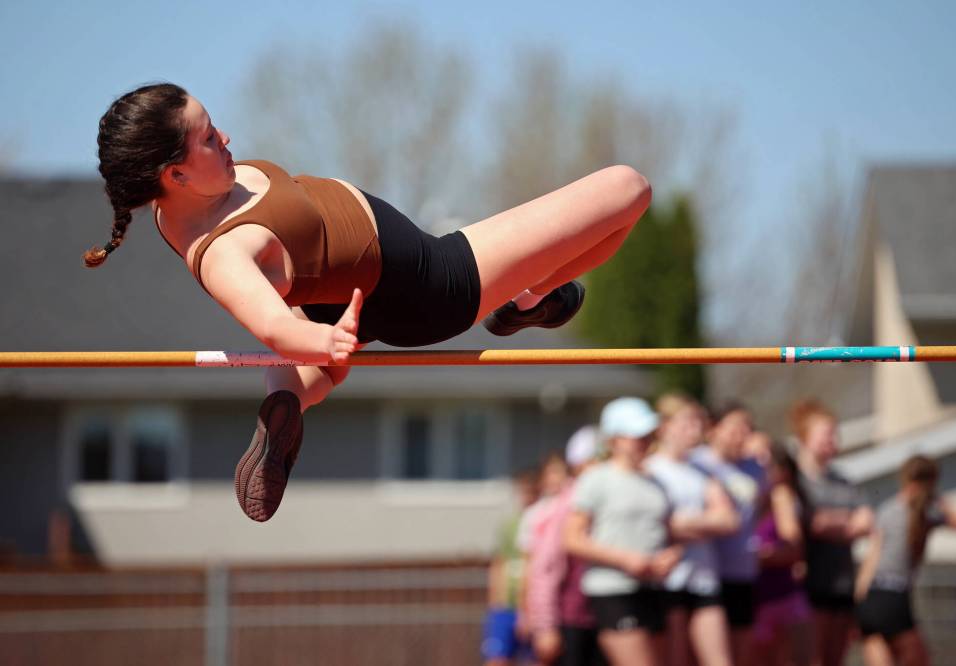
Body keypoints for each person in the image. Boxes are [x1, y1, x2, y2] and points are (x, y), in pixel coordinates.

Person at [86, 83, 652, 521]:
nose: (226, 138)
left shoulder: (173, 207)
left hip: (342, 294)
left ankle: (286, 404)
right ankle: (530, 296)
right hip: (427, 283)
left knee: (314, 370)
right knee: (628, 189)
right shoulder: (225, 256)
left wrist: (326, 338)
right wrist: (326, 340)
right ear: (175, 173)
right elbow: (271, 325)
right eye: (209, 138)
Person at [564, 398, 683, 666]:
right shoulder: (596, 479)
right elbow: (572, 538)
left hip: (653, 587)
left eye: (646, 435)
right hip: (612, 590)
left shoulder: (656, 482)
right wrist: (626, 559)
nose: (642, 441)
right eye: (635, 436)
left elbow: (668, 534)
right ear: (614, 439)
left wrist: (670, 557)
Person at [646, 395, 738, 666]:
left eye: (698, 423)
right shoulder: (652, 469)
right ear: (665, 426)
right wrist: (704, 524)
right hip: (668, 580)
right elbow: (659, 526)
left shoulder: (701, 470)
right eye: (687, 423)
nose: (696, 430)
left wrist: (686, 523)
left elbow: (728, 520)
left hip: (704, 577)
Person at [854, 456, 956, 666]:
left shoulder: (889, 508)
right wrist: (939, 500)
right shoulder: (927, 511)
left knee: (879, 654)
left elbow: (872, 558)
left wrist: (858, 601)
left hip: (872, 595)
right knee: (919, 659)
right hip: (894, 594)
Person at [790, 400, 873, 666]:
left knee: (835, 658)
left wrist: (833, 523)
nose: (833, 440)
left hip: (841, 583)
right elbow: (813, 523)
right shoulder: (797, 481)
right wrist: (845, 523)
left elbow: (866, 522)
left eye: (835, 434)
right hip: (807, 584)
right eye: (826, 434)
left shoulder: (843, 480)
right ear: (805, 437)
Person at [690, 403, 767, 666]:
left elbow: (764, 507)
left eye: (747, 428)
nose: (741, 434)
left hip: (743, 571)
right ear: (714, 429)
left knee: (741, 654)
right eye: (734, 427)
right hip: (707, 573)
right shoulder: (696, 462)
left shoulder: (756, 469)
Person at [525, 426, 607, 666]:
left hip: (601, 614)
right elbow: (545, 569)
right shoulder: (567, 505)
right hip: (572, 618)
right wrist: (545, 625)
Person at [750, 440, 813, 666]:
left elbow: (793, 546)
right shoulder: (750, 499)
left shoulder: (780, 495)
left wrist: (760, 556)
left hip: (781, 595)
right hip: (755, 600)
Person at [483, 469, 541, 666]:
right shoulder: (510, 526)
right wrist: (495, 601)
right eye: (523, 491)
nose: (527, 497)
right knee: (497, 658)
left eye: (532, 491)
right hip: (506, 604)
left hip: (533, 606)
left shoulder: (542, 522)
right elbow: (499, 563)